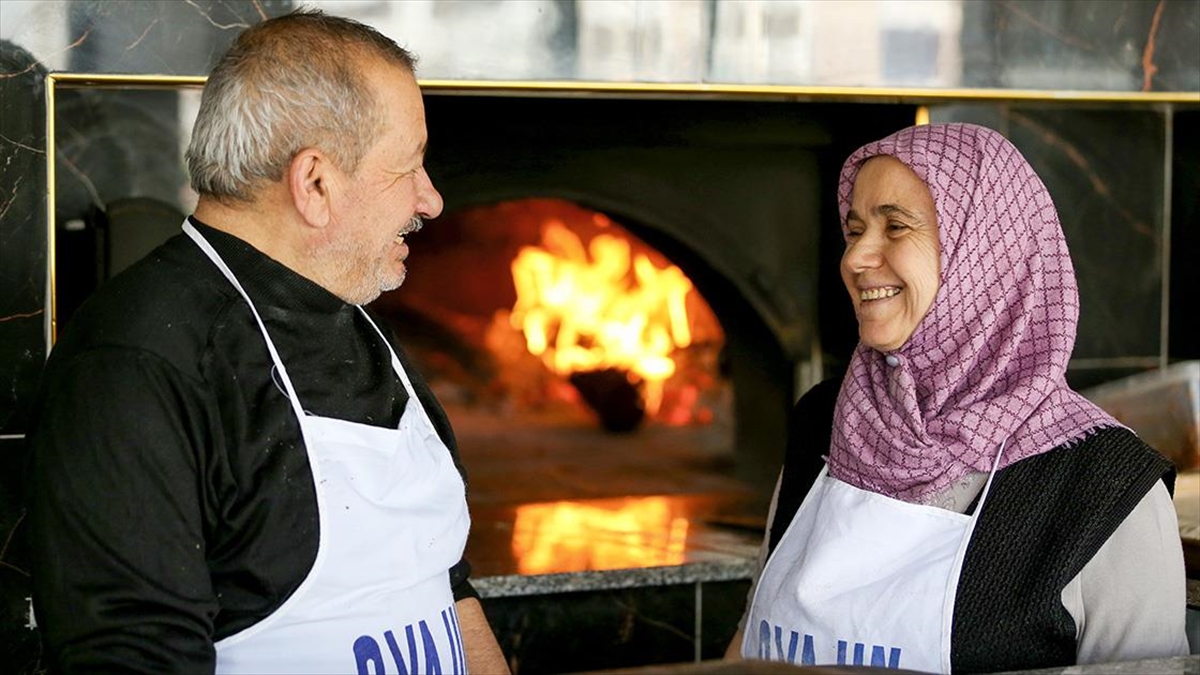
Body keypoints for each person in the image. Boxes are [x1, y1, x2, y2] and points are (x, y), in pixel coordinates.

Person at [26, 10, 509, 674]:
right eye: (409, 167)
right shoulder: (132, 368)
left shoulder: (362, 322)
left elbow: (446, 583)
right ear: (314, 183)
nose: (431, 200)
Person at [725, 123, 1189, 672]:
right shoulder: (825, 419)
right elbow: (748, 642)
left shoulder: (1105, 486)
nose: (854, 259)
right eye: (854, 232)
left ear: (986, 258)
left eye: (895, 227)